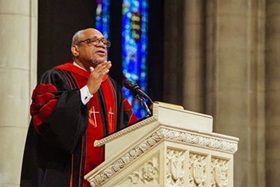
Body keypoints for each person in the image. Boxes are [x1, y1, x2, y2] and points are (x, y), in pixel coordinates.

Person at [20, 28, 138, 187]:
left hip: (108, 179)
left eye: (104, 42)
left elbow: (131, 128)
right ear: (75, 49)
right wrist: (87, 91)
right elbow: (47, 120)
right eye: (93, 41)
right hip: (66, 175)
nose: (101, 45)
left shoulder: (113, 87)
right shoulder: (56, 76)